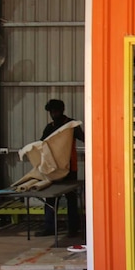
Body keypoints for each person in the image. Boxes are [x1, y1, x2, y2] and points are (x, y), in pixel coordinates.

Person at [37, 99, 84, 238]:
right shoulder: (49, 127)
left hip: (70, 168)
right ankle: (50, 227)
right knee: (50, 199)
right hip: (54, 169)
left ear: (62, 110)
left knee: (71, 198)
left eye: (56, 111)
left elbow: (84, 138)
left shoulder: (71, 125)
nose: (53, 114)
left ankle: (73, 229)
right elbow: (42, 144)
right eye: (51, 112)